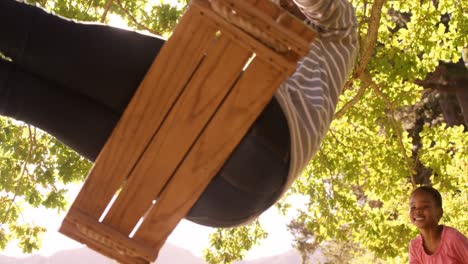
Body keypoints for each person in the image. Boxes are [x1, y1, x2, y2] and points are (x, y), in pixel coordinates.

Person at [0, 0, 357, 227]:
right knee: (21, 96)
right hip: (222, 206)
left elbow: (320, 6)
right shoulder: (259, 64)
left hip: (260, 144)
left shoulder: (339, 29)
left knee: (45, 39)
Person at [409, 186, 468, 263]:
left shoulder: (453, 238)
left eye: (425, 206)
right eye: (413, 207)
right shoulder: (414, 246)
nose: (417, 211)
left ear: (439, 212)